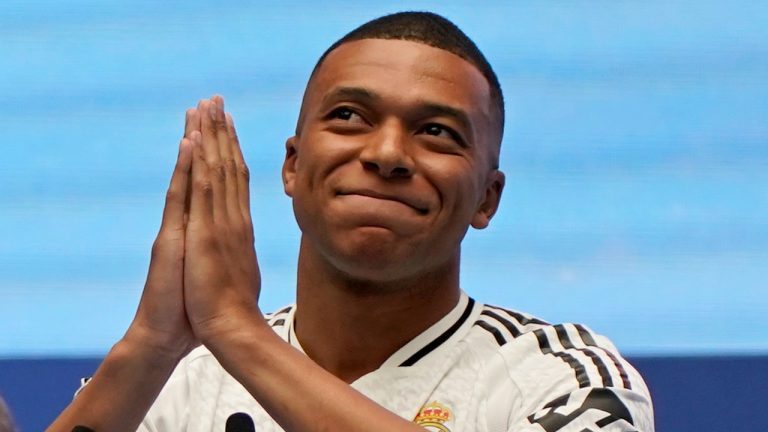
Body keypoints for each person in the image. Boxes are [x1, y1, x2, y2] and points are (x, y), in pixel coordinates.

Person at [49, 11, 653, 432]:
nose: (387, 154)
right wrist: (153, 344)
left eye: (436, 132)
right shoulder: (180, 381)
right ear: (291, 165)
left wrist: (238, 331)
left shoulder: (562, 375)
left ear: (486, 199)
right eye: (348, 116)